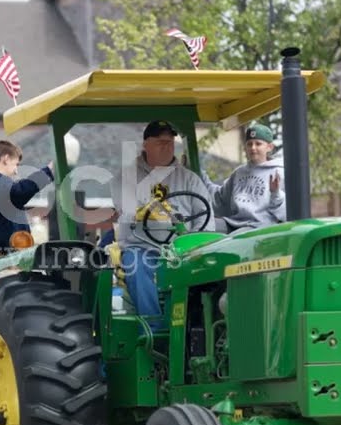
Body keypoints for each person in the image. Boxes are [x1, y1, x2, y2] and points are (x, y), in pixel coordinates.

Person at [110, 120, 215, 327]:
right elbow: (127, 212)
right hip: (143, 248)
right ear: (145, 145)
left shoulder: (189, 179)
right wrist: (151, 212)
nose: (166, 147)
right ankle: (155, 329)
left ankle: (201, 326)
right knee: (137, 265)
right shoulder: (125, 178)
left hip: (183, 251)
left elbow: (205, 219)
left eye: (170, 142)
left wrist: (194, 245)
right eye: (160, 142)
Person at [0, 140, 54, 251]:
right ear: (6, 159)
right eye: (16, 164)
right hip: (3, 253)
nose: (16, 171)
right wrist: (47, 172)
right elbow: (19, 192)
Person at [207, 122, 286, 233]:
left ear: (269, 147)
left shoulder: (279, 173)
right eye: (249, 144)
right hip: (233, 222)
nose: (253, 148)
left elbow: (287, 214)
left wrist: (275, 193)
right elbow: (220, 199)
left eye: (258, 144)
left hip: (260, 227)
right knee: (204, 226)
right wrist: (199, 176)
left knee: (232, 238)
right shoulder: (239, 172)